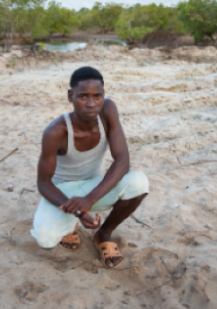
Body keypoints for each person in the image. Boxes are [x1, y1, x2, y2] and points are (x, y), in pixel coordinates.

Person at [31, 66, 149, 268]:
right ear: (70, 96)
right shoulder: (56, 131)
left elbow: (122, 161)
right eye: (83, 96)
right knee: (45, 239)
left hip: (94, 186)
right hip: (63, 193)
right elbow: (43, 183)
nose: (91, 103)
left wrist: (89, 199)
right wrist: (78, 211)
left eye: (98, 96)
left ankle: (103, 233)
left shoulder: (108, 111)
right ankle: (70, 223)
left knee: (139, 182)